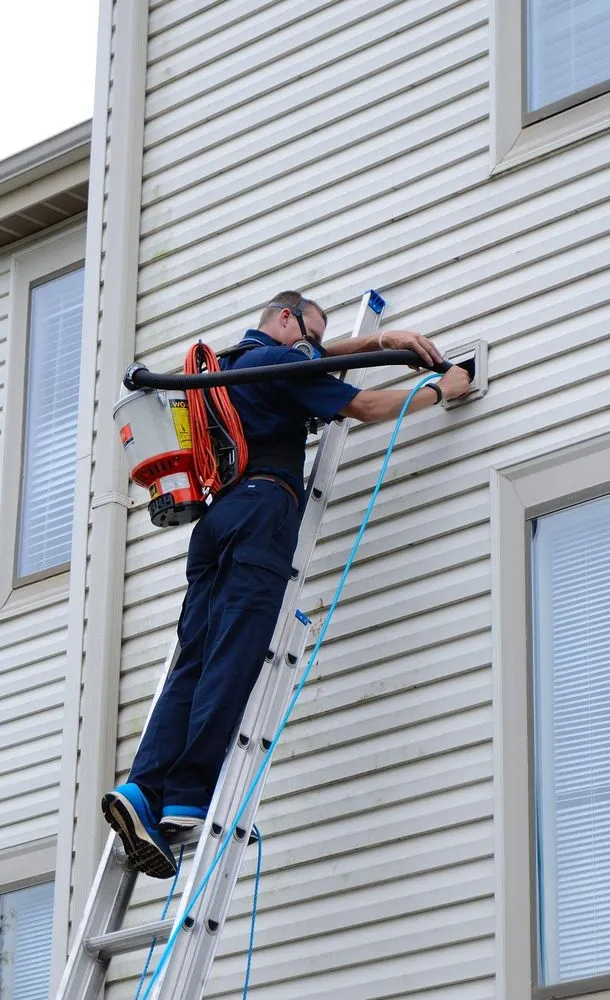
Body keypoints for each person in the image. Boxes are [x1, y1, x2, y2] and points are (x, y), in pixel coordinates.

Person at [102, 291, 471, 878]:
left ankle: (145, 788)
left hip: (216, 519)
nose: (315, 349)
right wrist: (442, 388)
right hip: (263, 508)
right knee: (235, 652)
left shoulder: (226, 366)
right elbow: (368, 406)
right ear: (282, 318)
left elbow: (313, 360)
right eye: (308, 336)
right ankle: (189, 796)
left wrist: (382, 341)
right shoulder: (279, 365)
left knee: (194, 658)